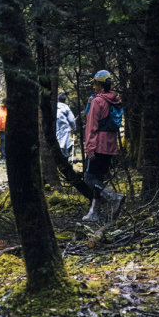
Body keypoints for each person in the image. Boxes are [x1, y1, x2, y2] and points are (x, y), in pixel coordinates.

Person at [82, 70, 125, 223]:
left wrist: (90, 148)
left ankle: (114, 197)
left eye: (95, 83)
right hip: (110, 144)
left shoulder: (98, 101)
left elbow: (92, 126)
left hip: (98, 144)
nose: (93, 86)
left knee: (89, 178)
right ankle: (94, 213)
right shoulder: (115, 99)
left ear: (99, 84)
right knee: (98, 178)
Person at [56, 93, 76, 158]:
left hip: (55, 130)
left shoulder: (53, 107)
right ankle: (65, 160)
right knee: (65, 147)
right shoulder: (66, 107)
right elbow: (72, 120)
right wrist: (74, 129)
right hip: (65, 130)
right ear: (64, 100)